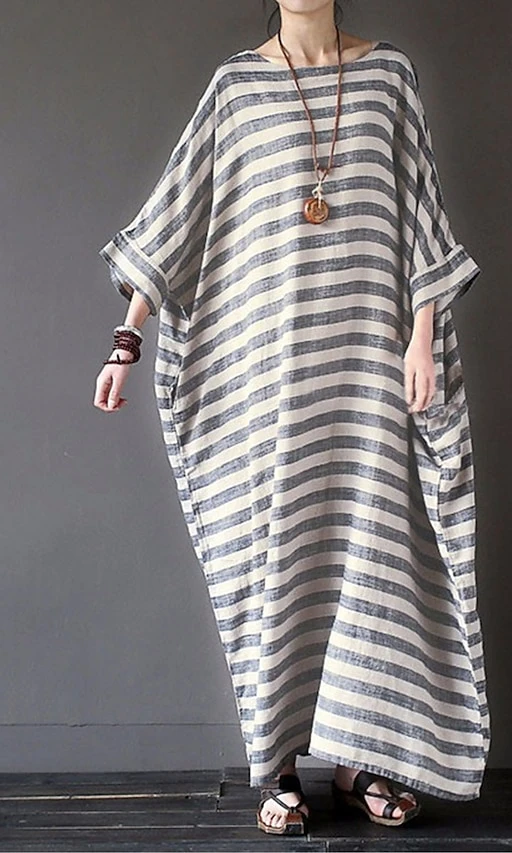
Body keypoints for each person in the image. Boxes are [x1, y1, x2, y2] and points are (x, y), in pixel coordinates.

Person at [94, 0, 490, 837]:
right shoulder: (236, 88)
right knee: (273, 560)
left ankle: (356, 758)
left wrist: (421, 338)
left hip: (367, 373)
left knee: (370, 559)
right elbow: (179, 210)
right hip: (266, 380)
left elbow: (422, 216)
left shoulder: (390, 78)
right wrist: (127, 339)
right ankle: (275, 759)